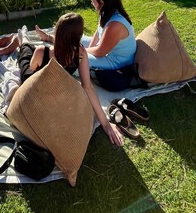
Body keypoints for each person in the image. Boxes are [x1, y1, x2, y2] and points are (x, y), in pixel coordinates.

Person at [17, 13, 124, 147]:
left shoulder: (78, 53)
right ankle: (24, 39)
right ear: (78, 36)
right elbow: (29, 78)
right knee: (26, 52)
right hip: (31, 77)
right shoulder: (77, 52)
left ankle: (31, 40)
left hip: (42, 61)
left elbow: (88, 87)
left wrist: (106, 124)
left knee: (31, 51)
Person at [36, 0, 136, 71]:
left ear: (101, 2)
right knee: (76, 39)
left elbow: (100, 51)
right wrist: (87, 48)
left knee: (74, 58)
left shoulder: (115, 25)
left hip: (116, 61)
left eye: (93, 1)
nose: (91, 3)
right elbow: (98, 32)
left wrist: (78, 51)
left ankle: (46, 60)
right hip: (106, 50)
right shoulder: (106, 11)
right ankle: (49, 38)